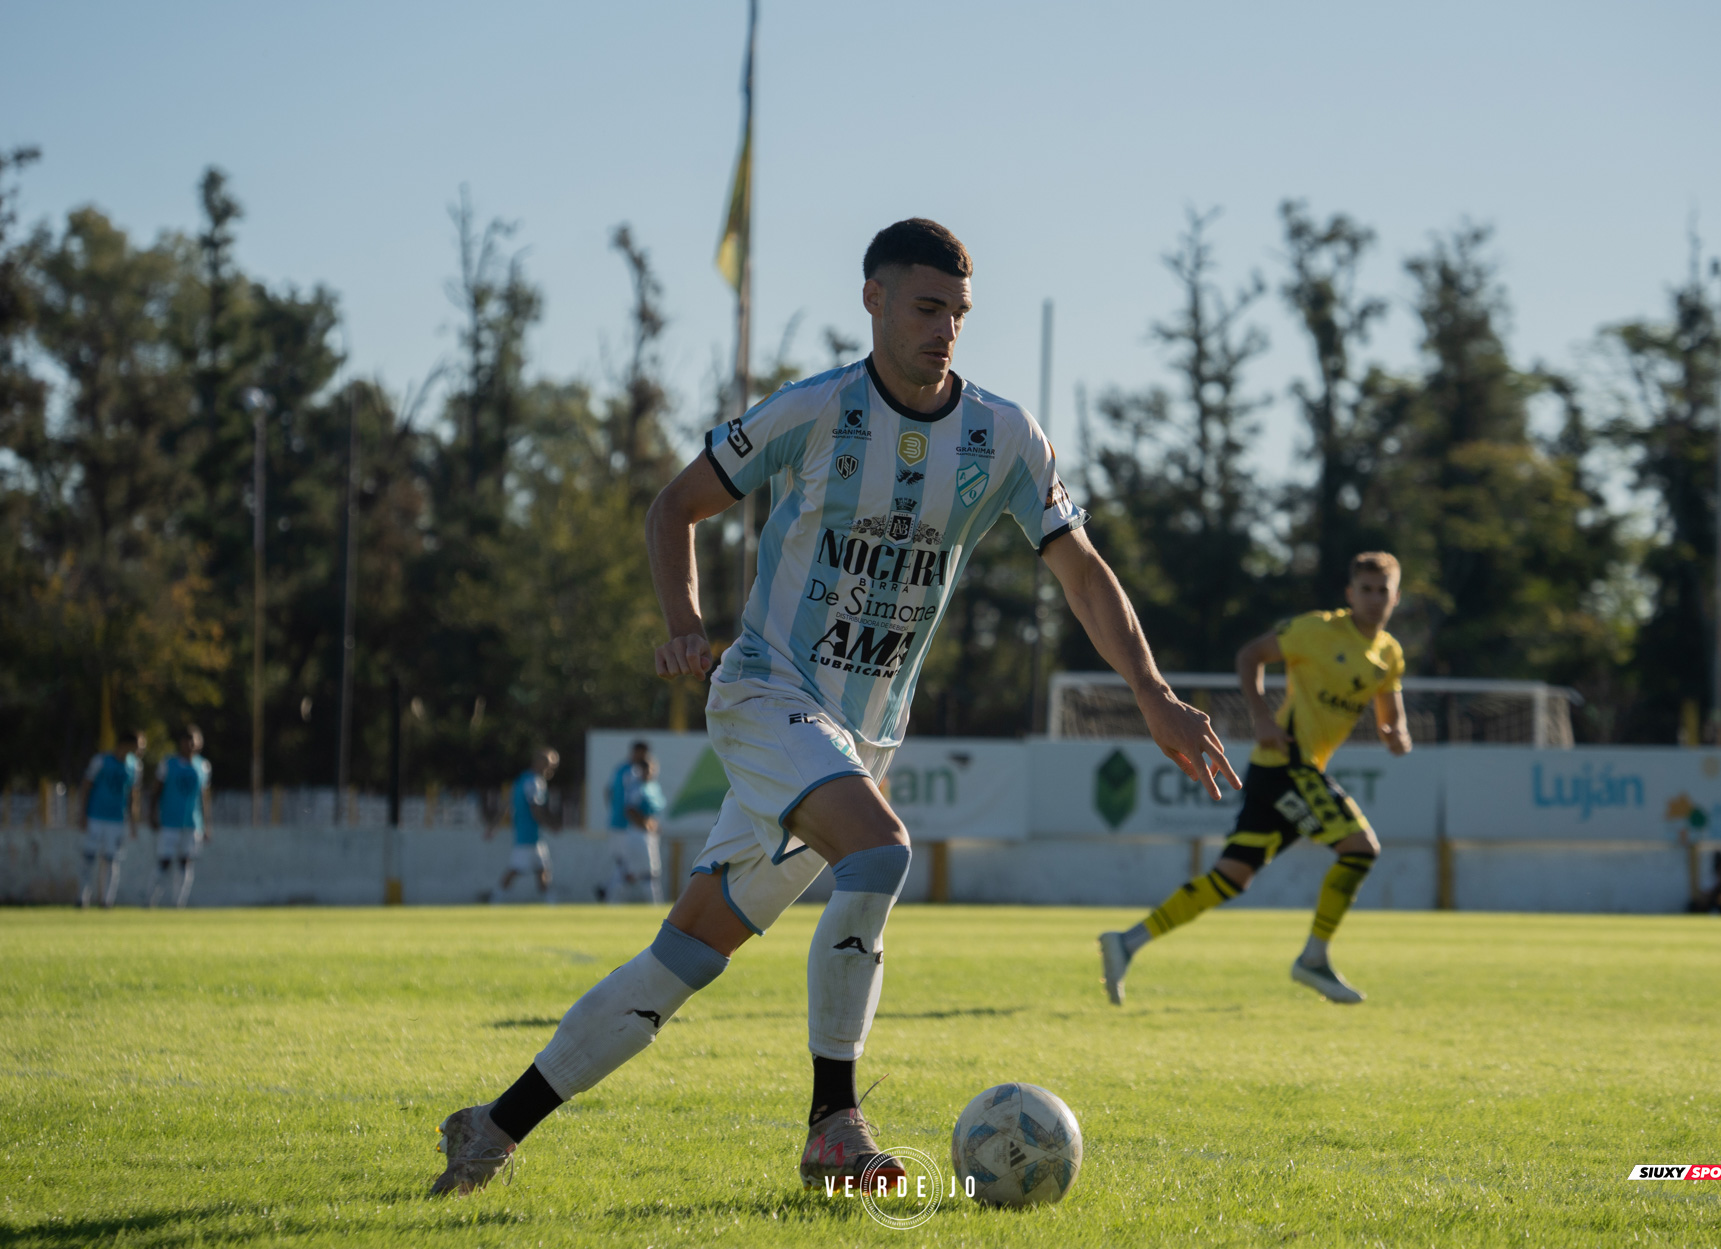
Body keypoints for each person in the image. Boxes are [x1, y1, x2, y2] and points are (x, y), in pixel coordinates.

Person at [428, 218, 1240, 1197]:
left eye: (960, 314)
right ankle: (833, 1126)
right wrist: (686, 620)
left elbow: (1083, 573)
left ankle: (490, 1126)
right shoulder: (814, 413)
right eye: (926, 307)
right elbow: (673, 506)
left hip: (860, 736)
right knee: (882, 850)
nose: (945, 330)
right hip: (767, 693)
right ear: (875, 300)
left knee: (684, 956)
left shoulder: (1006, 438)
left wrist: (1151, 693)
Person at [1100, 553, 1412, 1006]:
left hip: (1284, 772)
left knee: (1231, 876)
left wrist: (1397, 733)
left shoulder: (1390, 652)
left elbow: (1391, 714)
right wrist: (1262, 718)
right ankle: (1313, 960)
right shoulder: (1316, 629)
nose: (1373, 598)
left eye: (1382, 590)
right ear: (1350, 594)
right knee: (1360, 849)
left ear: (1395, 597)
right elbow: (1250, 655)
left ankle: (1126, 942)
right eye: (1365, 589)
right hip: (1288, 762)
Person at [77, 731, 144, 909]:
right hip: (96, 816)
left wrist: (133, 822)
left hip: (117, 819)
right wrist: (82, 813)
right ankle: (82, 897)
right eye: (137, 745)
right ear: (126, 744)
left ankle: (107, 900)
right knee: (89, 857)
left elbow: (133, 796)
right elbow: (86, 786)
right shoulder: (101, 761)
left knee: (111, 860)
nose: (140, 749)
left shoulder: (135, 766)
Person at [147, 725, 212, 908]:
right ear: (181, 742)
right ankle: (150, 900)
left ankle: (179, 903)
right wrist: (152, 814)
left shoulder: (203, 766)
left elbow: (204, 798)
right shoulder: (168, 764)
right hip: (169, 821)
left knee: (186, 862)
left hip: (192, 823)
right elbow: (156, 792)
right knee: (164, 861)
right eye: (187, 739)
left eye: (195, 740)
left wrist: (206, 825)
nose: (191, 744)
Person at [487, 749, 560, 903]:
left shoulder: (521, 780)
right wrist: (550, 824)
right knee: (516, 869)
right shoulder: (534, 782)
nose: (551, 769)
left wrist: (493, 827)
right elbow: (536, 809)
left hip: (529, 834)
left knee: (542, 868)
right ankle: (496, 899)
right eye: (549, 765)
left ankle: (551, 903)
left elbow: (506, 805)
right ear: (539, 763)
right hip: (528, 835)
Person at [604, 741, 668, 904]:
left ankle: (610, 897)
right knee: (635, 869)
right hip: (627, 828)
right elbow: (628, 805)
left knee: (629, 868)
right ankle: (612, 898)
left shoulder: (649, 784)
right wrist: (639, 821)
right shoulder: (630, 773)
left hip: (637, 830)